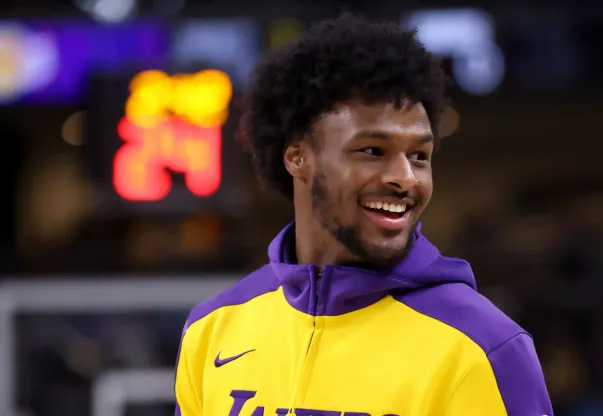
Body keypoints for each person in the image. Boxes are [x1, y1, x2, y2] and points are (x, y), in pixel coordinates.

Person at [174, 13, 553, 416]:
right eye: (373, 151)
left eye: (419, 156)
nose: (405, 179)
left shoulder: (482, 348)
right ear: (297, 156)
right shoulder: (211, 330)